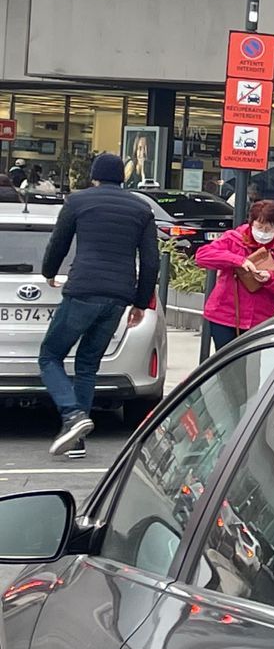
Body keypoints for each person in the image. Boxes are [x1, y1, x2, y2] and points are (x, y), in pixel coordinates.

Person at [37, 153, 160, 458]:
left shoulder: (77, 202)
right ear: (123, 178)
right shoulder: (141, 209)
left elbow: (59, 242)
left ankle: (73, 416)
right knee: (88, 364)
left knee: (50, 355)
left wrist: (49, 272)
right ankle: (76, 441)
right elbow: (151, 261)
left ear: (94, 176)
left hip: (83, 291)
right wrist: (140, 302)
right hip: (118, 296)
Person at [195, 200, 274, 348]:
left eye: (268, 229)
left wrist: (270, 279)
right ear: (251, 224)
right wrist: (238, 261)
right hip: (224, 315)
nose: (263, 233)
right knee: (227, 366)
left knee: (252, 368)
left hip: (259, 319)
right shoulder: (233, 238)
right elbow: (202, 256)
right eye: (259, 227)